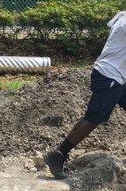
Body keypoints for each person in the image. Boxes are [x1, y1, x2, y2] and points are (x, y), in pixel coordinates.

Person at [44, 10, 126, 179]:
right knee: (93, 119)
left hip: (117, 76)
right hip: (110, 76)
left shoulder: (123, 17)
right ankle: (58, 155)